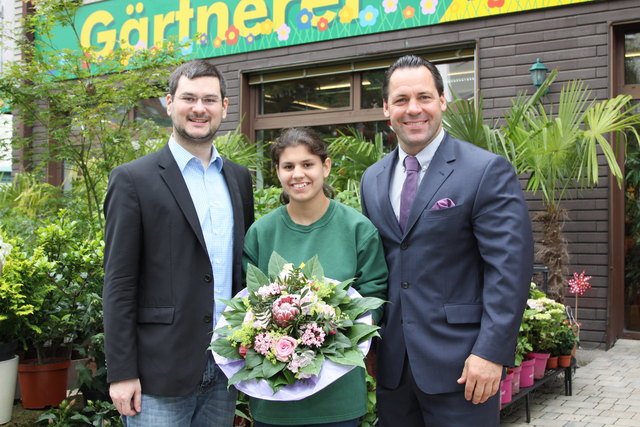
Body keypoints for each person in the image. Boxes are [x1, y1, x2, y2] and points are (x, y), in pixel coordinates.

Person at [360, 55, 534, 426]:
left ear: (442, 101)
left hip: (464, 367)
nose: (413, 109)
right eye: (402, 100)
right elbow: (377, 267)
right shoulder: (372, 178)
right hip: (394, 369)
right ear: (386, 108)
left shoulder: (484, 170)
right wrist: (370, 342)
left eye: (424, 97)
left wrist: (491, 352)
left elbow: (509, 270)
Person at [103, 59, 254, 426]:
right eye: (189, 98)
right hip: (158, 373)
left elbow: (244, 273)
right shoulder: (133, 180)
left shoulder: (238, 178)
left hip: (224, 366)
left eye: (209, 99)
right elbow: (119, 282)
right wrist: (121, 372)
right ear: (169, 103)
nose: (199, 109)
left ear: (225, 107)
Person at [242, 127, 388, 427]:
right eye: (288, 166)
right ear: (277, 172)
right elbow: (247, 304)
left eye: (307, 164)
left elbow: (374, 295)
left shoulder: (357, 229)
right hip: (274, 395)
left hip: (337, 393)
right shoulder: (261, 233)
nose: (299, 174)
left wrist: (332, 330)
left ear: (326, 166)